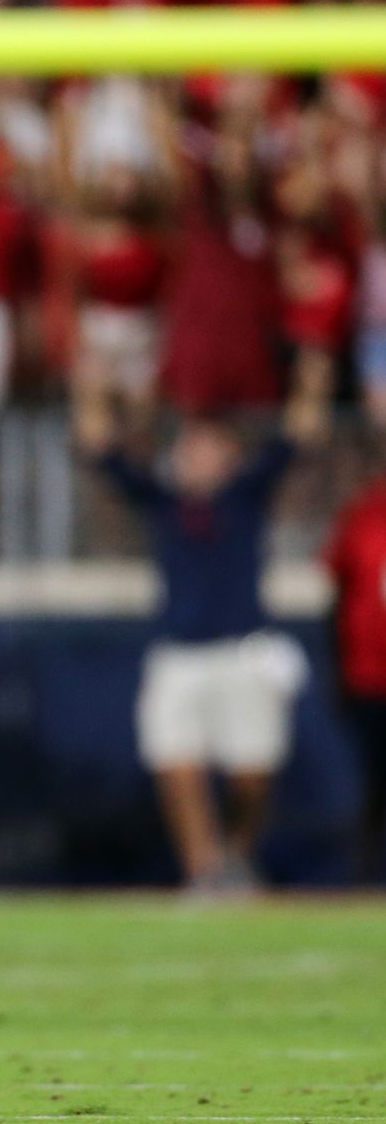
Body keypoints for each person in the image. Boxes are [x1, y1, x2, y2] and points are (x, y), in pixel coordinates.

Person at [75, 358, 330, 892]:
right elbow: (99, 446)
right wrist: (90, 386)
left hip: (243, 651)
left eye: (203, 447)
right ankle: (203, 870)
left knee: (253, 774)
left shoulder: (246, 496)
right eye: (187, 448)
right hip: (180, 654)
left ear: (229, 457)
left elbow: (301, 433)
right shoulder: (164, 502)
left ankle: (237, 856)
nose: (190, 456)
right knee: (177, 763)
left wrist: (312, 373)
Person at [323, 463, 386, 881]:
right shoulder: (366, 512)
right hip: (371, 678)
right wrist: (339, 670)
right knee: (375, 784)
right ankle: (364, 882)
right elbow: (338, 597)